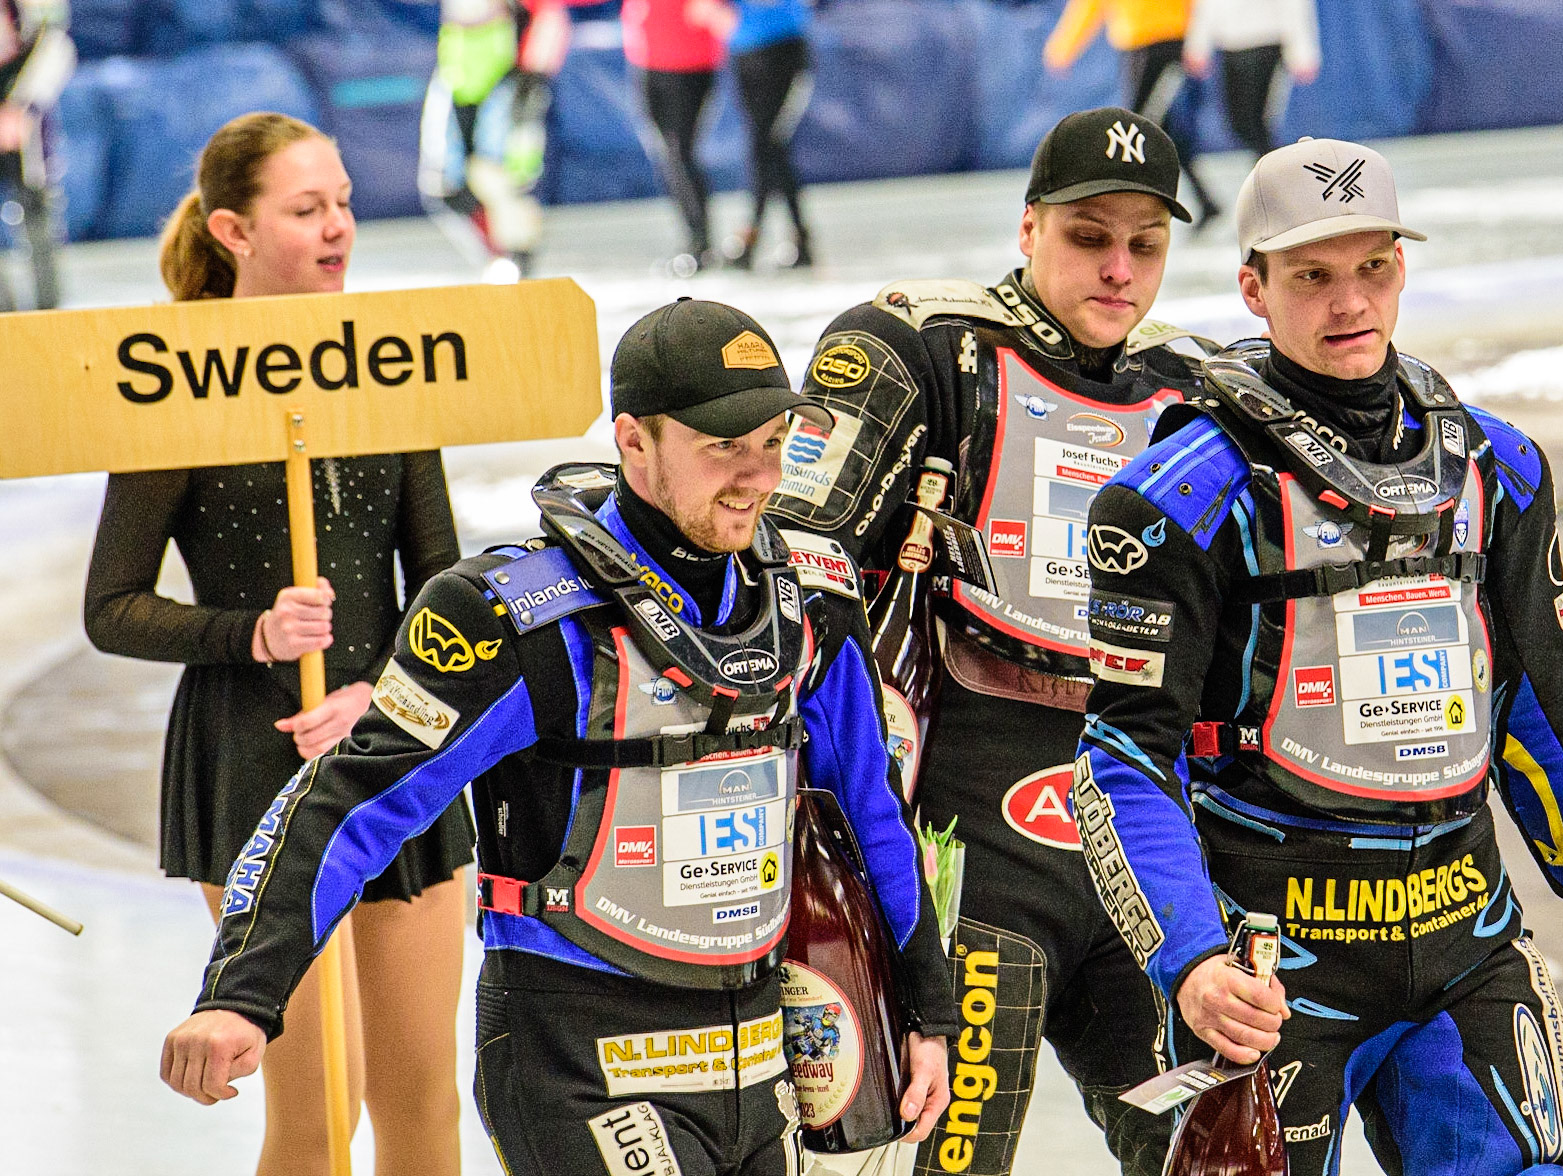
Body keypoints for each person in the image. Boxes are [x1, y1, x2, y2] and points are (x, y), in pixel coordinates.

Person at [160, 298, 957, 1176]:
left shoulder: (811, 601)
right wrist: (240, 996)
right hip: (579, 1059)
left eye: (773, 442)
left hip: (759, 1054)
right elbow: (348, 802)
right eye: (724, 446)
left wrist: (928, 1008)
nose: (758, 476)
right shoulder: (516, 620)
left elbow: (871, 807)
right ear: (634, 439)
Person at [1075, 137, 1563, 1171]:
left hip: (1466, 934)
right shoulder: (1175, 497)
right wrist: (1189, 961)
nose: (1348, 300)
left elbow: (1538, 710)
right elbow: (1122, 759)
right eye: (1311, 275)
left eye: (1373, 268)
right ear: (1253, 289)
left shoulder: (1500, 468)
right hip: (1269, 968)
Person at [770, 107, 1213, 1176]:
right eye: (1087, 236)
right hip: (967, 843)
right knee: (950, 1163)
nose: (1117, 268)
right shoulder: (920, 346)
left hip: (1139, 842)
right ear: (1029, 228)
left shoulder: (1198, 395)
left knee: (1216, 1153)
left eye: (1143, 244)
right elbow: (791, 559)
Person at [84, 112, 474, 1176]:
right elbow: (112, 606)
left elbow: (441, 584)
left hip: (396, 746)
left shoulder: (390, 369)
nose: (340, 226)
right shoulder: (173, 383)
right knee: (318, 1111)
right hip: (257, 760)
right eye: (307, 209)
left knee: (424, 1101)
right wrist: (249, 631)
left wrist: (382, 697)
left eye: (343, 201)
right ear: (233, 230)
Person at [419, 0, 571, 282]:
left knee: (504, 181)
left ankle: (517, 265)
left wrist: (535, 75)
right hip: (456, 70)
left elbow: (550, 15)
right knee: (445, 186)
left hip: (505, 74)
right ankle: (498, 259)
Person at [1044, 0, 1222, 231]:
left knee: (1137, 129)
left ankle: (1119, 203)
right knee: (1155, 130)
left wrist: (1197, 42)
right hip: (1142, 42)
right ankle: (1204, 201)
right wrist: (1065, 47)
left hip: (1163, 41)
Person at [625, 0, 730, 276]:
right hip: (649, 59)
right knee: (670, 155)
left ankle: (700, 243)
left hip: (687, 62)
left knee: (679, 152)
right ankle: (696, 240)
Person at [726, 0, 815, 270]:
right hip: (746, 52)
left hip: (783, 49)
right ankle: (797, 238)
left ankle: (755, 234)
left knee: (769, 145)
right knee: (766, 147)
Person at [0, 0, 74, 310]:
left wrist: (22, 107)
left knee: (37, 212)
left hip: (24, 117)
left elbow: (56, 44)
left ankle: (48, 310)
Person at [1182, 0, 1319, 158]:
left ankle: (1279, 174)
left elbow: (1295, 5)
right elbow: (1207, 4)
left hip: (1268, 44)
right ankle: (1269, 172)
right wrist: (1198, 46)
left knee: (1260, 124)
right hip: (1231, 46)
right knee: (1240, 124)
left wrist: (1303, 53)